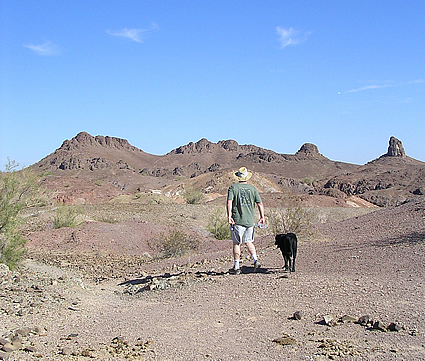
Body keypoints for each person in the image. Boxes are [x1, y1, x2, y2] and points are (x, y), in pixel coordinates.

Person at [227, 167, 265, 274]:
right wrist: (262, 217)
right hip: (249, 221)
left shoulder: (233, 188)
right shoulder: (253, 189)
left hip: (237, 221)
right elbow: (260, 204)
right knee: (248, 241)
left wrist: (229, 216)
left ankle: (236, 267)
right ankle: (255, 260)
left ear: (238, 177)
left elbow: (229, 202)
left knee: (236, 243)